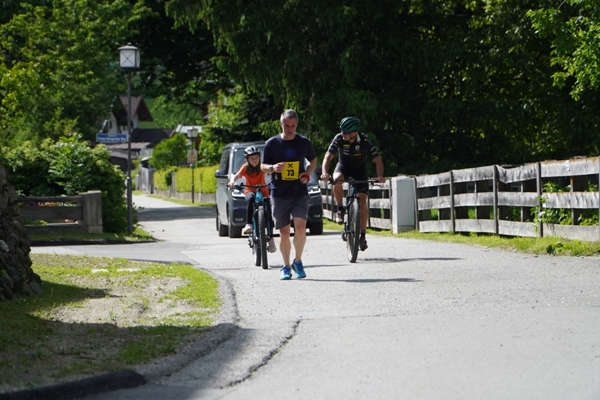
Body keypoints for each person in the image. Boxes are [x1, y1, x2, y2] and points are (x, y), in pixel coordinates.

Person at [261, 109, 317, 280]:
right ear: (281, 125)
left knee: (300, 228)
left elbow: (313, 160)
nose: (290, 129)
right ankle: (285, 266)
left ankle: (297, 261)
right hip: (279, 193)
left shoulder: (304, 142)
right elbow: (262, 166)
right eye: (286, 125)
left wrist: (307, 174)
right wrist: (272, 168)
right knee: (284, 232)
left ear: (296, 125)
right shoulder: (272, 143)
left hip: (299, 192)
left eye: (292, 126)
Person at [320, 116, 384, 251]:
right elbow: (328, 156)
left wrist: (380, 176)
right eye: (342, 131)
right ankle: (340, 209)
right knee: (336, 179)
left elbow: (377, 159)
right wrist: (325, 172)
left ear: (354, 133)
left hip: (360, 171)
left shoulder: (365, 140)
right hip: (343, 167)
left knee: (362, 201)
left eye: (346, 132)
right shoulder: (339, 138)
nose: (342, 134)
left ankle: (362, 236)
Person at [228, 145, 276, 253]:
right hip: (250, 190)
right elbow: (236, 176)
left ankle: (271, 237)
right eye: (252, 158)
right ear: (247, 159)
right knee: (250, 199)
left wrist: (274, 171)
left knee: (268, 210)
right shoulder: (245, 168)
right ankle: (248, 224)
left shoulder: (262, 166)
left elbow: (271, 171)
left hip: (263, 191)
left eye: (256, 157)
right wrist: (232, 182)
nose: (254, 160)